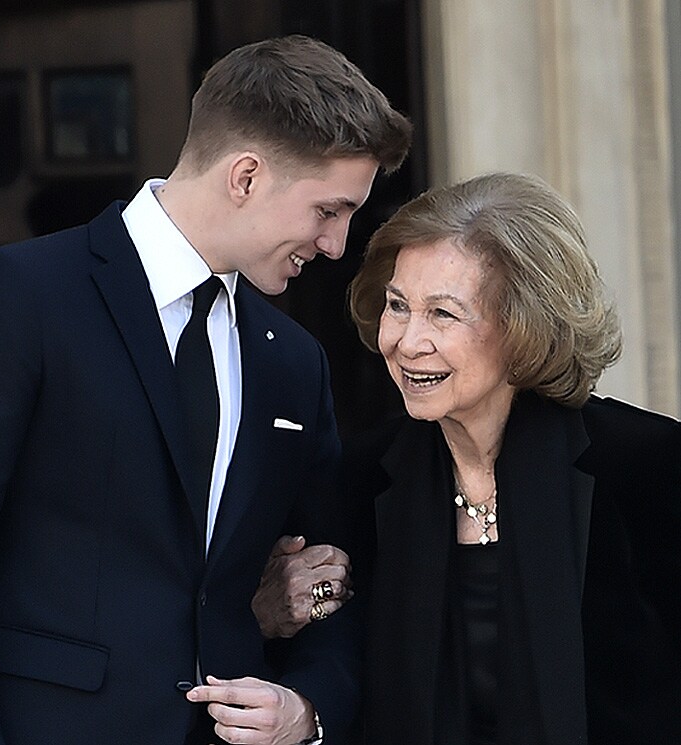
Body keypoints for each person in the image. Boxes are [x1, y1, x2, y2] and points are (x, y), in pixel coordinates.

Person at [0, 35, 411, 745]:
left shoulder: (294, 363)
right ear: (245, 176)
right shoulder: (21, 295)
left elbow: (326, 582)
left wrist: (308, 706)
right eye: (328, 211)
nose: (337, 245)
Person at [254, 172, 681, 744]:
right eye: (398, 306)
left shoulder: (650, 468)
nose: (407, 341)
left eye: (444, 314)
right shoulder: (354, 482)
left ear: (525, 324)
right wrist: (278, 613)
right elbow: (329, 666)